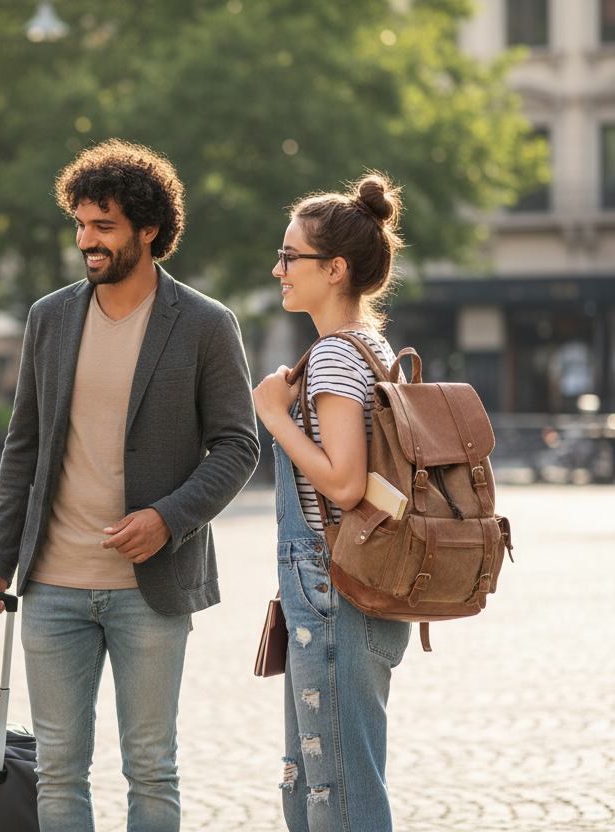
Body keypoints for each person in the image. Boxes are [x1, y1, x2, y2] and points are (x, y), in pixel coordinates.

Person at [0, 139, 260, 832]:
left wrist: (168, 518)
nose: (86, 241)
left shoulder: (207, 325)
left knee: (151, 766)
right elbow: (24, 448)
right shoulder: (51, 317)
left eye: (104, 226)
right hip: (54, 583)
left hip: (150, 588)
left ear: (148, 231)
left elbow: (239, 445)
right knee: (59, 768)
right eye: (80, 224)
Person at [251, 173, 411, 831]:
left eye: (292, 257)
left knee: (337, 791)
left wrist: (272, 415)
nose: (278, 268)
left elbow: (343, 484)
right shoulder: (369, 346)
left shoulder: (337, 360)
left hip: (336, 588)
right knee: (322, 777)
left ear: (335, 267)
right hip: (359, 587)